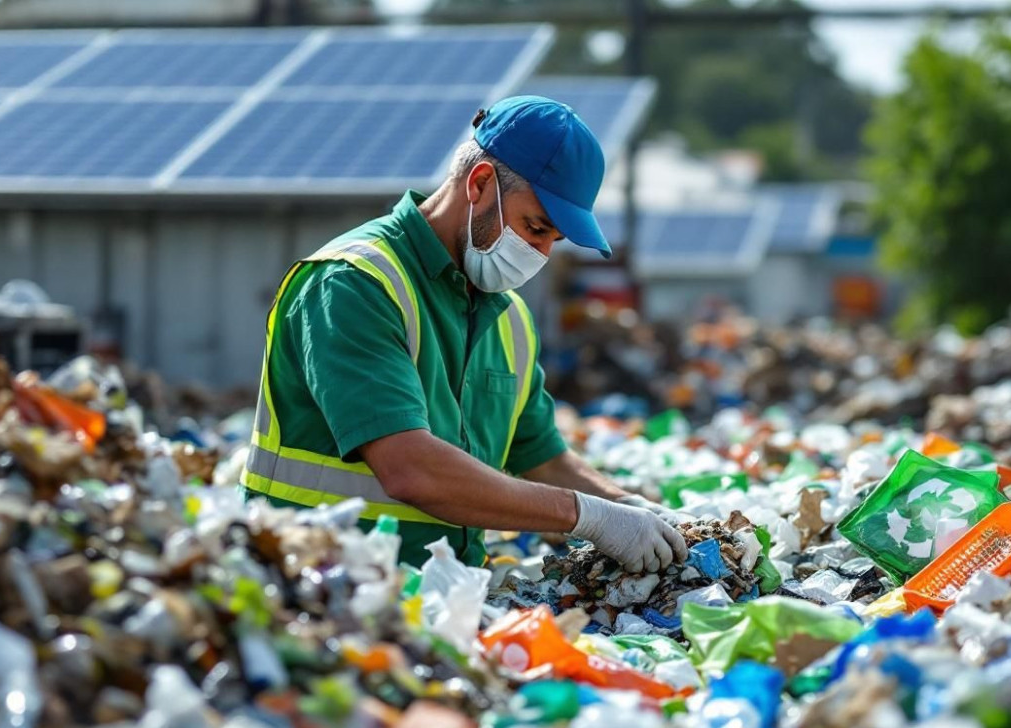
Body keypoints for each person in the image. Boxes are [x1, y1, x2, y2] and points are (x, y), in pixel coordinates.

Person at [240, 95, 689, 572]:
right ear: (479, 184)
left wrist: (629, 507)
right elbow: (410, 468)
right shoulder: (354, 284)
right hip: (315, 588)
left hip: (435, 600)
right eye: (535, 227)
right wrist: (586, 516)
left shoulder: (509, 317)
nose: (539, 254)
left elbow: (541, 455)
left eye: (552, 241)